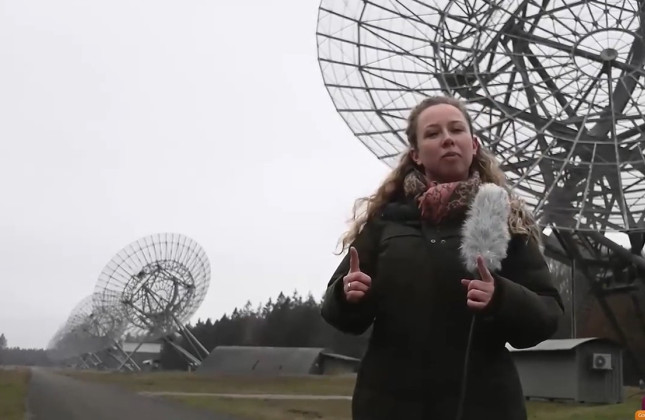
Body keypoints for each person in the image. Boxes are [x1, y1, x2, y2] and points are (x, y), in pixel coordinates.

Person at [320, 96, 564, 420]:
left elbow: (547, 313)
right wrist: (347, 295)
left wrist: (502, 297)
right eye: (433, 133)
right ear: (416, 155)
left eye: (457, 129)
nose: (447, 138)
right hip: (388, 404)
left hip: (484, 406)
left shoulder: (504, 220)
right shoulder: (387, 221)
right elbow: (338, 312)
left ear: (473, 144)